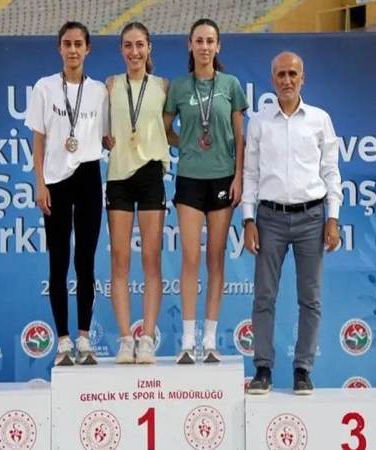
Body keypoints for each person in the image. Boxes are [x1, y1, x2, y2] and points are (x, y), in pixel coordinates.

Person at [242, 51, 343, 395]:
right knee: (264, 296)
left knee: (310, 299)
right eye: (281, 74)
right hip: (269, 218)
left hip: (312, 218)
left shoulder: (319, 120)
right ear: (273, 79)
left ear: (303, 78)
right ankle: (263, 369)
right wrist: (248, 219)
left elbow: (331, 171)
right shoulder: (259, 122)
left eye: (292, 74)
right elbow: (250, 174)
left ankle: (303, 370)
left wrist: (333, 218)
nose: (287, 80)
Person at [163, 18, 248, 364]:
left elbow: (239, 137)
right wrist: (185, 144)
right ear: (190, 45)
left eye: (210, 41)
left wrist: (238, 176)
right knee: (190, 258)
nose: (204, 47)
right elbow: (165, 129)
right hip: (189, 179)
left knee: (215, 258)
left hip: (223, 179)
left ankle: (210, 340)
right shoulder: (179, 86)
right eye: (199, 41)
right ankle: (187, 339)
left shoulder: (231, 85)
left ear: (218, 46)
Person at [24, 21, 109, 366]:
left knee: (85, 261)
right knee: (58, 261)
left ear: (88, 49)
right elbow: (39, 140)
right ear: (59, 48)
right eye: (67, 44)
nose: (73, 50)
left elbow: (107, 137)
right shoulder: (44, 87)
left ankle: (84, 339)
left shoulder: (99, 90)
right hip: (55, 181)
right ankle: (62, 341)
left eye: (78, 44)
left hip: (88, 175)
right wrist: (40, 183)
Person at [104, 22, 168, 364]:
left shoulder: (163, 86)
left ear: (149, 48)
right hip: (118, 177)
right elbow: (100, 131)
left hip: (151, 175)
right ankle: (125, 338)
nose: (134, 52)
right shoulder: (110, 85)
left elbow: (171, 129)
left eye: (140, 45)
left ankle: (147, 338)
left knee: (151, 260)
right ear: (121, 50)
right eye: (128, 45)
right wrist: (104, 139)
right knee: (119, 260)